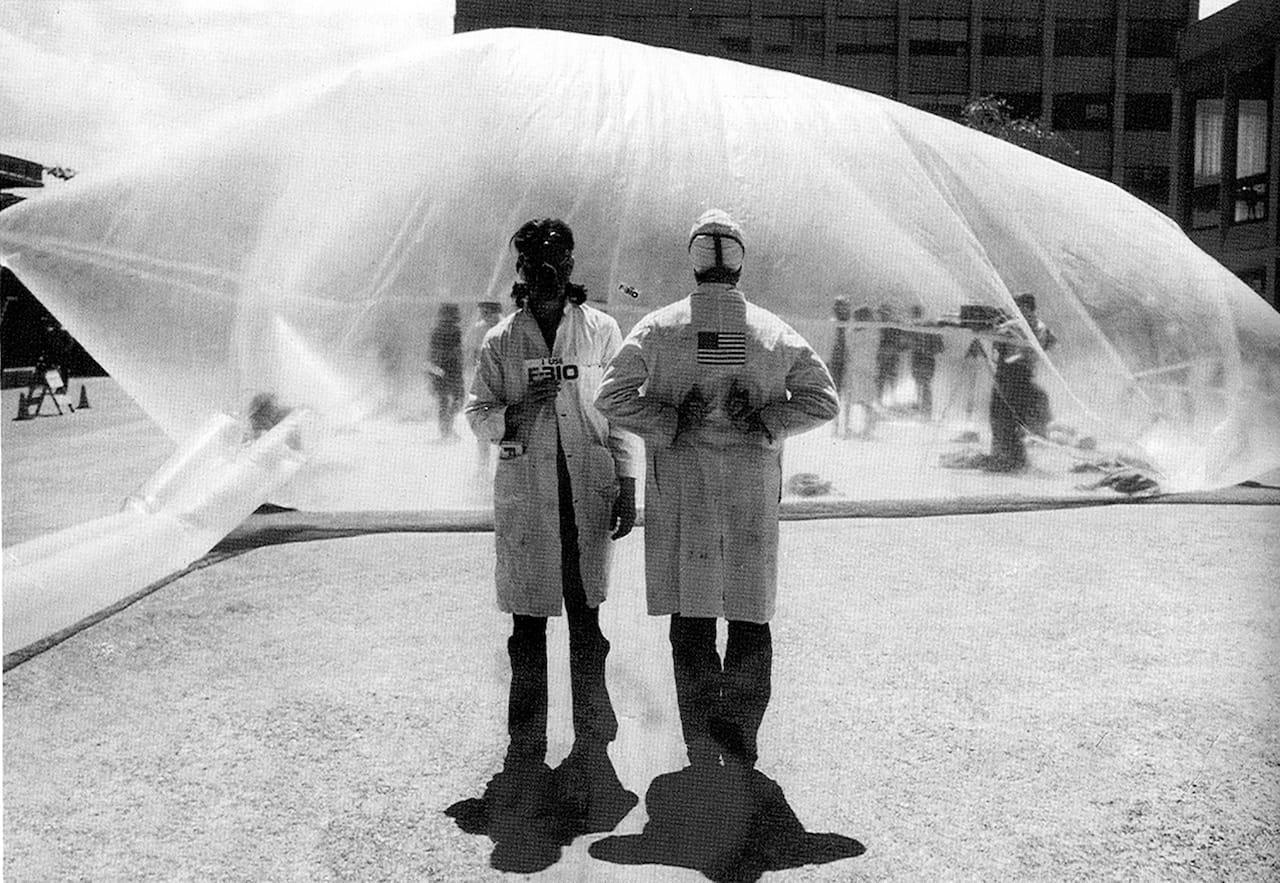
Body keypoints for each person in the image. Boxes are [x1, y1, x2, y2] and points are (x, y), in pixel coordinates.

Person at [595, 209, 838, 776]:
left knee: (694, 615)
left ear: (694, 262)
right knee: (750, 615)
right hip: (749, 494)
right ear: (740, 263)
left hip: (685, 494)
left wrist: (671, 418)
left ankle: (704, 747)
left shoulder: (660, 329)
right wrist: (765, 421)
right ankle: (741, 744)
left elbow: (611, 397)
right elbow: (823, 400)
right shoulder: (773, 333)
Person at [465, 218, 640, 826]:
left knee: (587, 622)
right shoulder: (502, 342)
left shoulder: (600, 332)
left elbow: (618, 411)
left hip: (583, 496)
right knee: (528, 629)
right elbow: (477, 411)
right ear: (521, 269)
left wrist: (626, 482)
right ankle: (527, 741)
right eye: (536, 260)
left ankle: (594, 734)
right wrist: (516, 412)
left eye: (557, 259)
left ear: (570, 266)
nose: (547, 270)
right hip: (529, 496)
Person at [987, 292, 1057, 471]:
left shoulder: (1030, 327)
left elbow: (1025, 352)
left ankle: (1011, 460)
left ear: (1027, 308)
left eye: (1020, 307)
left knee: (1007, 418)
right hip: (1014, 375)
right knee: (1002, 417)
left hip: (1016, 376)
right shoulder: (1025, 325)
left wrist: (1011, 352)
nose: (1017, 311)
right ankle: (1005, 456)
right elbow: (1052, 342)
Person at [829, 298, 879, 439]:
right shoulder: (848, 330)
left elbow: (858, 350)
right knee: (847, 398)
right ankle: (843, 427)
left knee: (863, 400)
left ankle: (863, 428)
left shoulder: (867, 333)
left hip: (861, 370)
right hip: (850, 368)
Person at [465, 301, 505, 473]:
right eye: (483, 312)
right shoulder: (479, 329)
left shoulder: (507, 326)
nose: (484, 315)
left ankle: (502, 468)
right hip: (486, 383)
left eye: (487, 312)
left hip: (505, 382)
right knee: (483, 424)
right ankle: (482, 468)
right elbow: (474, 355)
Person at [428, 303, 465, 440]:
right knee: (456, 399)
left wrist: (432, 372)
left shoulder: (436, 331)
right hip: (452, 370)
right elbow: (456, 353)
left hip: (439, 370)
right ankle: (447, 429)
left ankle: (445, 430)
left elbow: (432, 354)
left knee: (444, 401)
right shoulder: (455, 331)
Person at [906, 305, 944, 419]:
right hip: (927, 359)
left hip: (919, 359)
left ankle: (924, 410)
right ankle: (926, 411)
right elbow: (940, 348)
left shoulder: (914, 327)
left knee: (921, 384)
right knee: (924, 384)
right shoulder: (930, 326)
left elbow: (907, 343)